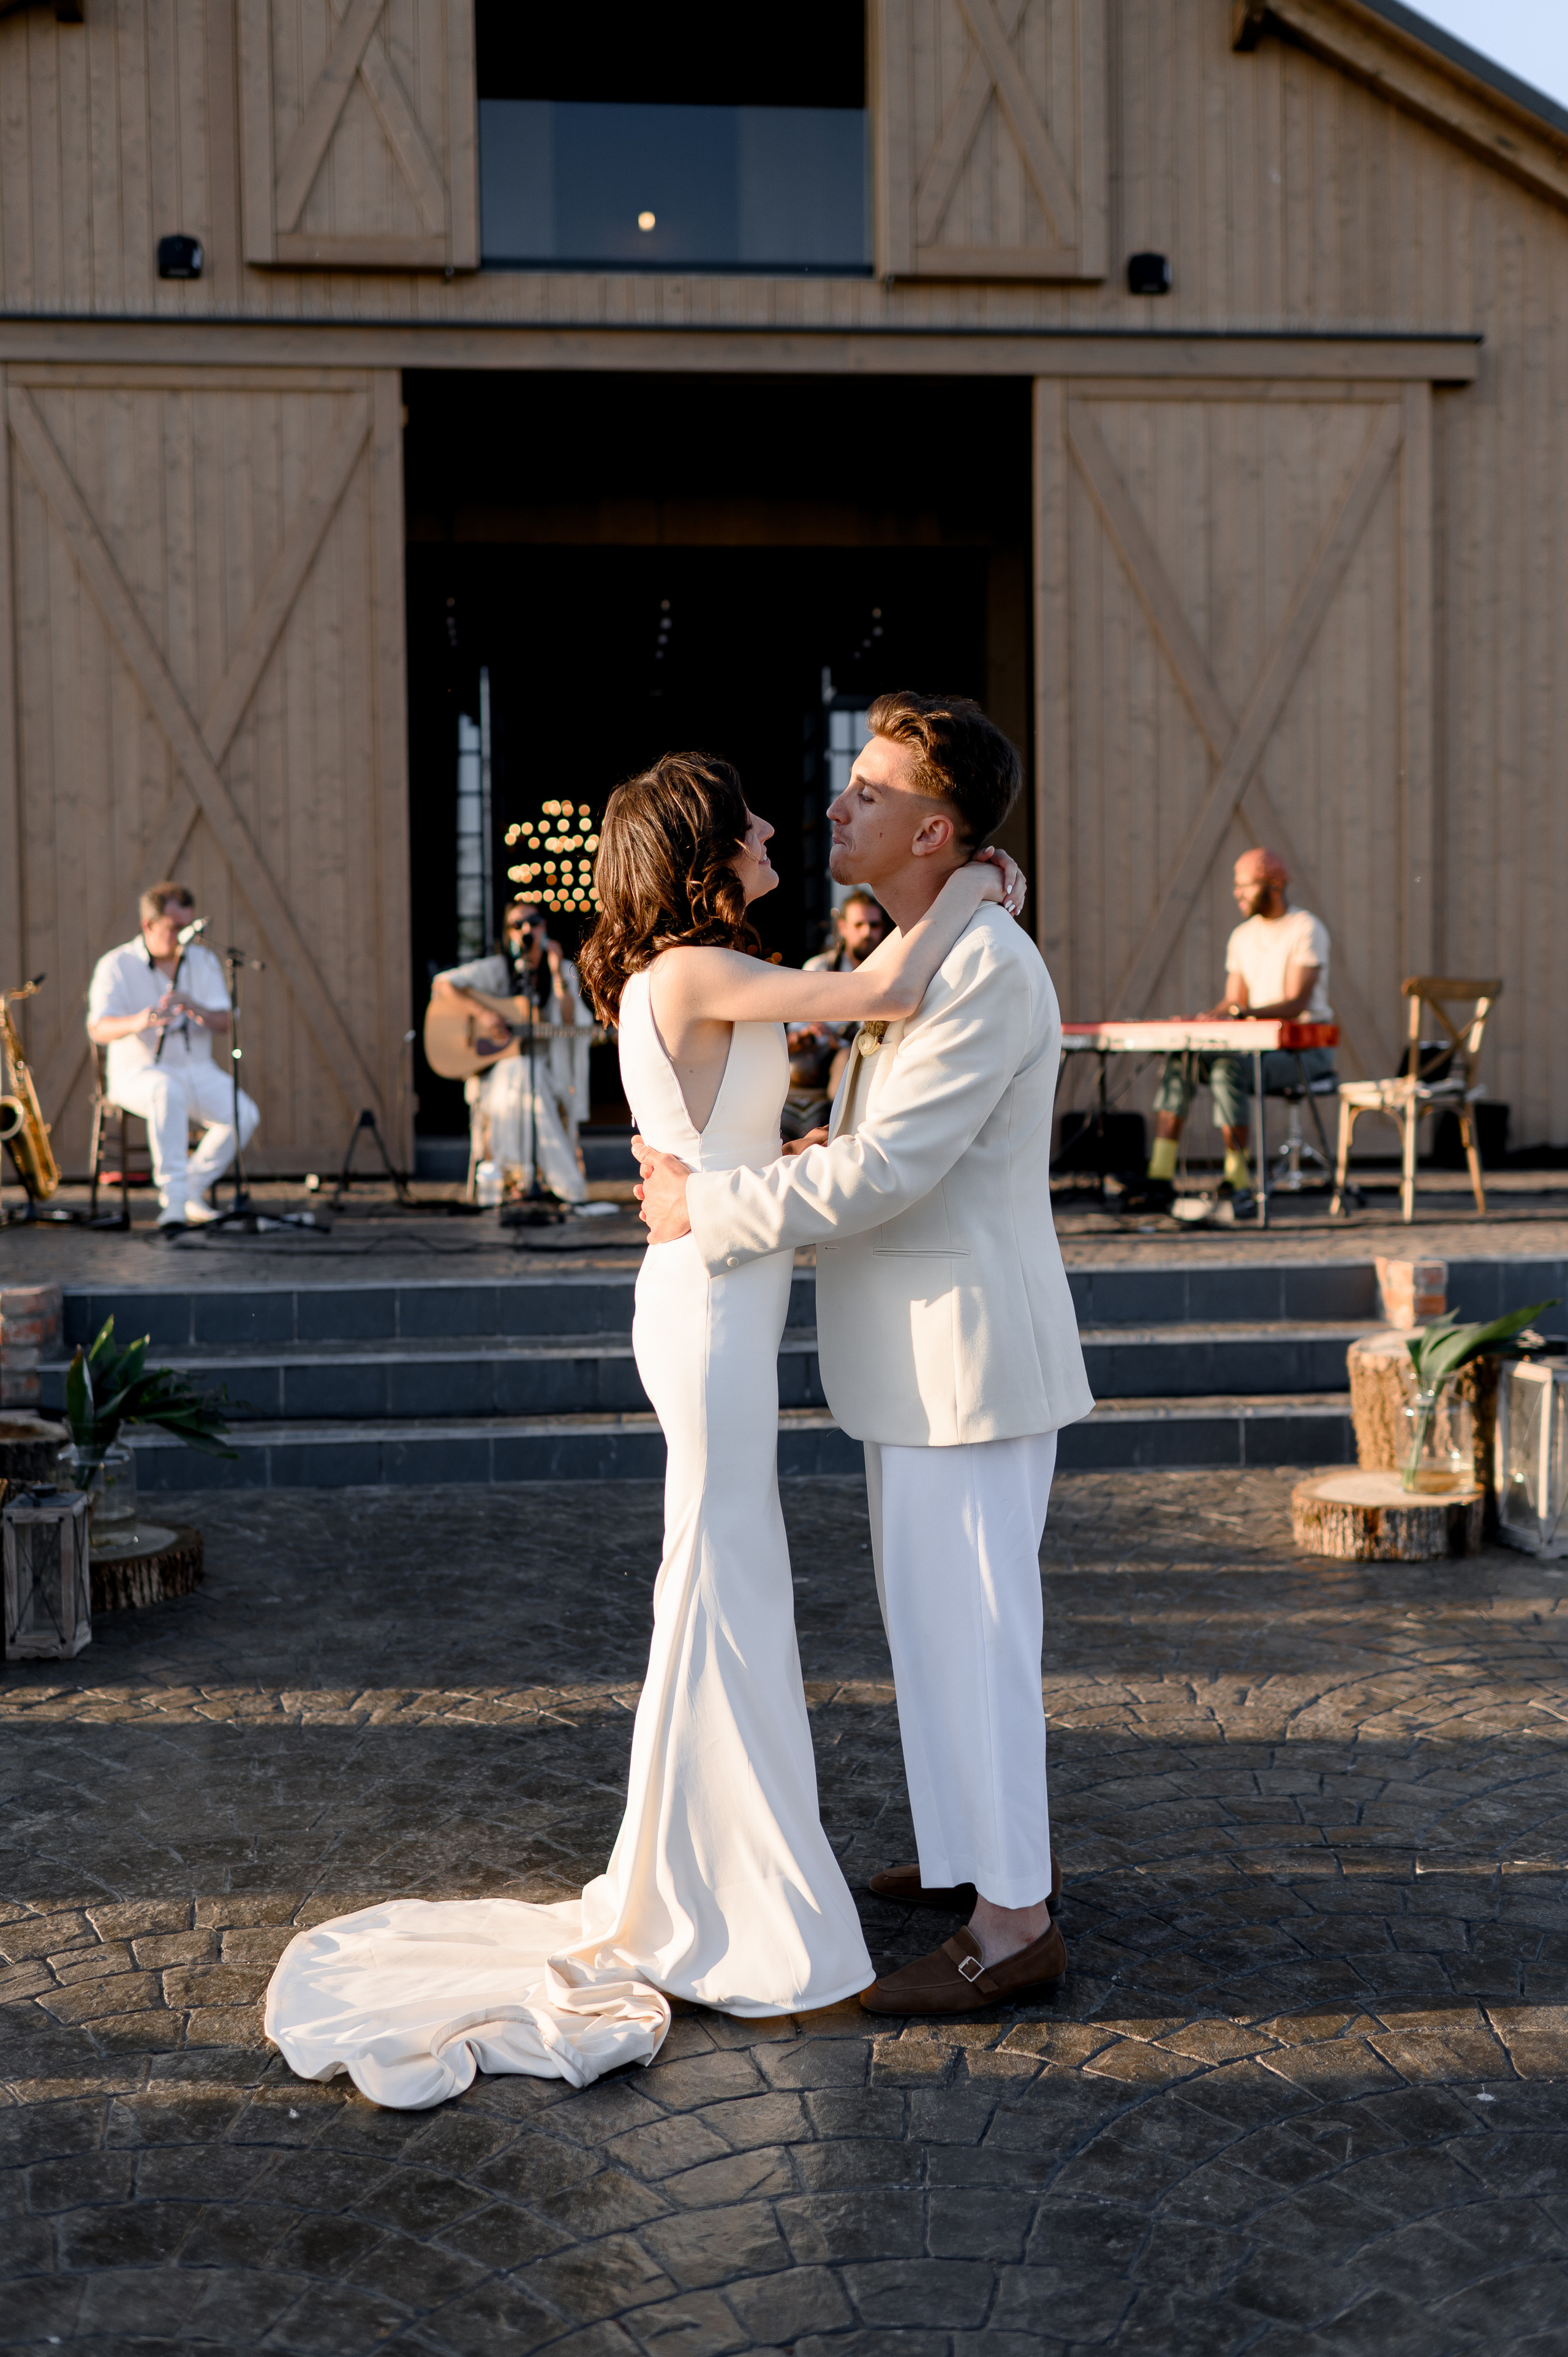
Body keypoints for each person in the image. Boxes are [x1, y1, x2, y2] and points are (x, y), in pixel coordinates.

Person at [263, 751, 1022, 2103]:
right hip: (715, 1307)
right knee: (724, 1582)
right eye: (749, 821)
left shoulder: (687, 976)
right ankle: (737, 1907)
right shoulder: (685, 973)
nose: (781, 826)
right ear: (702, 853)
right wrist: (977, 884)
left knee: (718, 1580)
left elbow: (791, 1090)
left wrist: (772, 1154)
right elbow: (883, 991)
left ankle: (708, 1873)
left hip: (711, 1289)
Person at [636, 692, 1092, 2018]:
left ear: (936, 831)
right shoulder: (927, 944)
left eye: (871, 794)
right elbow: (859, 1146)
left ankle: (1013, 1926)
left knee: (980, 1637)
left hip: (969, 1357)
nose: (838, 806)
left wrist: (704, 1208)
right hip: (916, 1358)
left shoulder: (985, 969)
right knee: (933, 1631)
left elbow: (889, 1168)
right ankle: (967, 1860)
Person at [1141, 847, 1335, 1207]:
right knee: (1180, 1061)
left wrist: (1239, 1013)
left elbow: (1296, 1004)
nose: (1237, 894)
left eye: (1245, 886)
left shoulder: (1305, 928)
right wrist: (1205, 1020)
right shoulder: (1242, 935)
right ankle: (1160, 1176)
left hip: (1305, 1052)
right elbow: (1234, 1004)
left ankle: (1238, 1181)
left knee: (1228, 1068)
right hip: (1256, 1048)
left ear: (1274, 885)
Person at [86, 883, 257, 1229]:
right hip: (138, 1072)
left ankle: (190, 1188)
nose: (183, 937)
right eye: (175, 928)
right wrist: (140, 1020)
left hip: (197, 1067)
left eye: (188, 928)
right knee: (167, 1090)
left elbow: (225, 1022)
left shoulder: (203, 960)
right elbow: (98, 1029)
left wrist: (194, 1007)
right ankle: (174, 1202)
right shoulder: (117, 964)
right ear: (149, 925)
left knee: (243, 1115)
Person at [432, 900, 588, 1204]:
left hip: (546, 1071)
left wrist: (557, 975)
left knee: (528, 1076)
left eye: (533, 922)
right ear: (508, 935)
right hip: (494, 1073)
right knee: (519, 1072)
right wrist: (483, 1015)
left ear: (544, 927)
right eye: (517, 925)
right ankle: (561, 1183)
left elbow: (571, 1022)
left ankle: (518, 1178)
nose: (526, 930)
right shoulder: (496, 969)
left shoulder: (564, 969)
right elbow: (443, 983)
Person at [783, 890, 889, 1140]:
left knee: (846, 1058)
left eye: (874, 925)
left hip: (859, 1054)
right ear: (842, 927)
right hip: (817, 1057)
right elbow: (796, 1031)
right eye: (859, 925)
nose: (867, 932)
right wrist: (808, 1034)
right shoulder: (819, 968)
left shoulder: (888, 972)